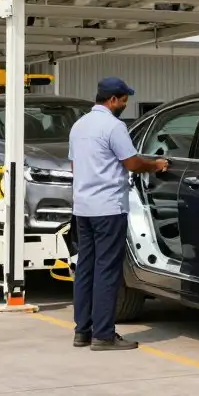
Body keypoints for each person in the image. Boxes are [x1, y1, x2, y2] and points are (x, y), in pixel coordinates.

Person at [68, 77, 168, 351]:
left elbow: (75, 166)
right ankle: (104, 334)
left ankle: (82, 332)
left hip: (83, 208)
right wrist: (156, 165)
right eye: (124, 100)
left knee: (86, 268)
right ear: (112, 100)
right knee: (107, 271)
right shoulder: (114, 126)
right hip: (108, 208)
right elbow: (132, 163)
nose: (125, 105)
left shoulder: (79, 126)